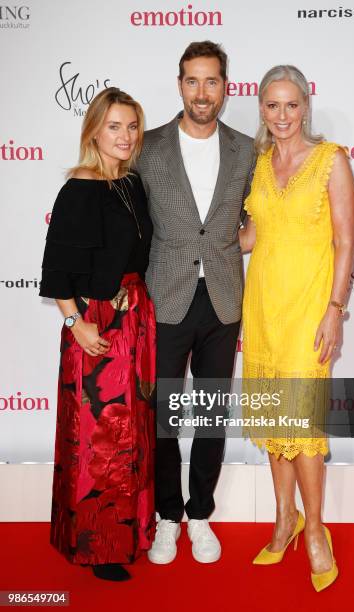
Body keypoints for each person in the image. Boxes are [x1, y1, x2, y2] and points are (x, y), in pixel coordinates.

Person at [239, 65, 354, 591]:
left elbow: (347, 242)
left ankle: (316, 532)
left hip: (309, 313)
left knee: (304, 429)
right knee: (273, 424)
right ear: (261, 109)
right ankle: (284, 518)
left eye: (290, 105)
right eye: (271, 106)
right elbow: (249, 237)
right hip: (262, 310)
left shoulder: (331, 161)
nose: (281, 116)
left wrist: (335, 309)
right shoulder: (260, 165)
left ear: (306, 105)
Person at [136, 41, 254, 564]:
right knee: (162, 416)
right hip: (164, 297)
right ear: (179, 83)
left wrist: (233, 243)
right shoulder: (149, 146)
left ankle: (200, 513)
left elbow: (259, 218)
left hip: (224, 299)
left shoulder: (248, 148)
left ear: (226, 87)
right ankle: (167, 516)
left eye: (212, 81)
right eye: (192, 81)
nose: (202, 92)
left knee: (208, 414)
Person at [39, 88, 155, 582]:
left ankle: (132, 532)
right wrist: (76, 323)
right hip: (95, 327)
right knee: (99, 439)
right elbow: (56, 270)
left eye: (132, 127)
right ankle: (97, 545)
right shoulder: (79, 189)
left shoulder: (131, 184)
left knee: (134, 435)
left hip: (135, 321)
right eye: (114, 127)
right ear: (93, 131)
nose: (125, 136)